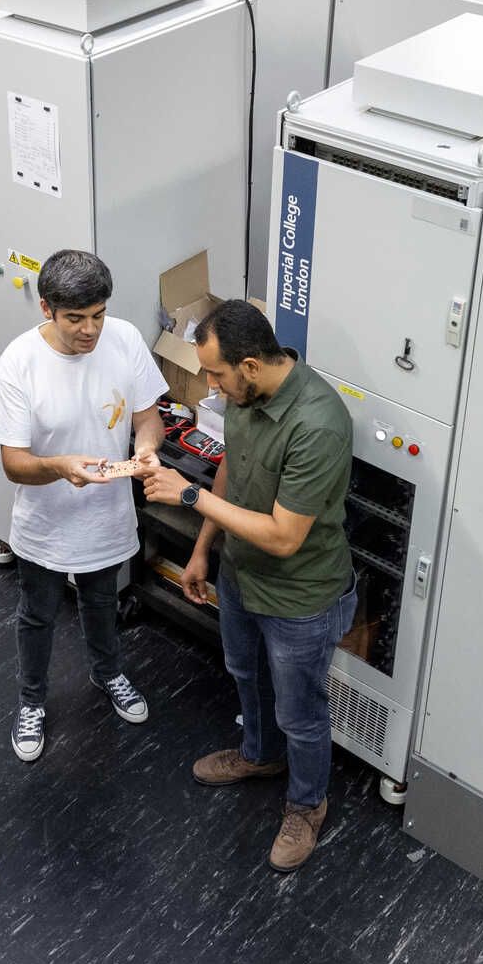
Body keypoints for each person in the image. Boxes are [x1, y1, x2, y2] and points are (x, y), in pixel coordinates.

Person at [143, 299, 355, 873]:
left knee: (301, 713)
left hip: (300, 598)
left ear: (252, 365)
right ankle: (260, 757)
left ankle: (307, 804)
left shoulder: (318, 424)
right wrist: (202, 549)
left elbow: (286, 537)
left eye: (216, 373)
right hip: (241, 576)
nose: (210, 385)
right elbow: (232, 472)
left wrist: (189, 497)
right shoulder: (243, 397)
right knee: (244, 673)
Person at [0, 249, 161, 763]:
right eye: (76, 319)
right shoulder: (19, 362)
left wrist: (146, 447)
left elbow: (149, 416)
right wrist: (61, 467)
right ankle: (31, 702)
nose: (90, 330)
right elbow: (13, 463)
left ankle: (108, 674)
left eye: (98, 315)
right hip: (46, 523)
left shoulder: (124, 339)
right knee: (36, 615)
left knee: (101, 602)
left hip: (106, 515)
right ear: (46, 309)